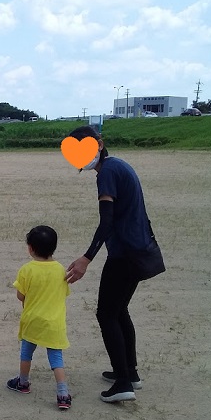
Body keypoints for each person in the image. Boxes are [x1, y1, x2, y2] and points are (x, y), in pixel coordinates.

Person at [64, 125, 158, 403]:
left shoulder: (107, 173)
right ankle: (129, 372)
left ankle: (124, 383)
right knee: (118, 311)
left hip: (125, 254)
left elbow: (107, 221)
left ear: (100, 144)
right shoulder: (118, 166)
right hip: (137, 250)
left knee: (106, 314)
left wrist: (86, 258)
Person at [6, 225, 72, 410]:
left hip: (32, 320)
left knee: (26, 353)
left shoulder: (27, 269)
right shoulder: (60, 270)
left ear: (31, 248)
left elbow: (20, 295)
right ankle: (63, 393)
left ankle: (23, 382)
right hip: (54, 323)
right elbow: (64, 293)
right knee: (56, 358)